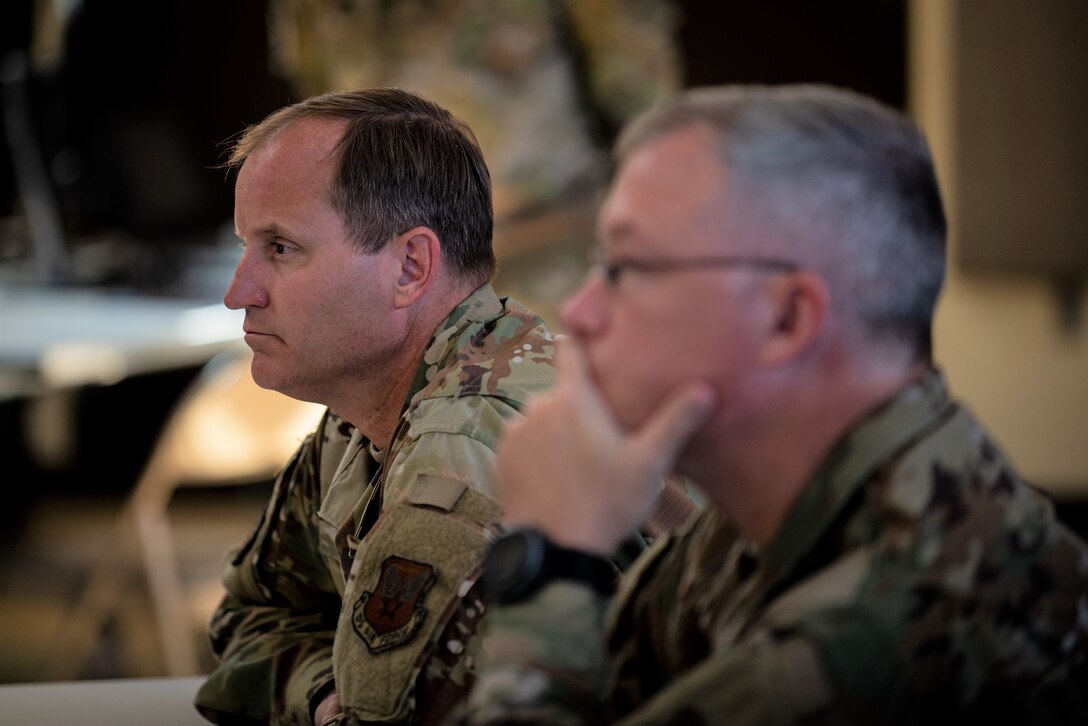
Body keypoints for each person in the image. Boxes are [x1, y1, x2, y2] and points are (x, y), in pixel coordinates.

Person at [459, 84, 1088, 724]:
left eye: (627, 267)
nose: (580, 311)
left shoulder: (870, 641)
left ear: (787, 318)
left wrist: (551, 557)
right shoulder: (762, 515)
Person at [192, 88, 561, 725]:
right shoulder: (367, 410)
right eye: (245, 246)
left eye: (281, 248)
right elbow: (251, 614)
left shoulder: (461, 455)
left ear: (410, 267)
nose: (238, 293)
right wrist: (320, 695)